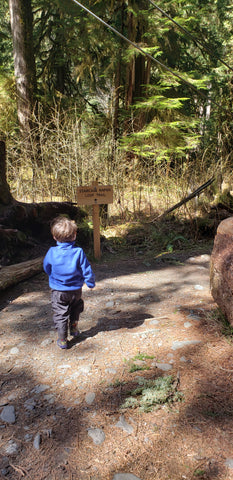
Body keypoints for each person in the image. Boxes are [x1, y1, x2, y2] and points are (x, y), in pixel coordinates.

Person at [43, 216, 95, 349]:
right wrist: (90, 282)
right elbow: (86, 269)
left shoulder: (52, 252)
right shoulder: (78, 252)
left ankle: (62, 339)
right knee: (75, 308)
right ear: (74, 236)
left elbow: (46, 267)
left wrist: (52, 276)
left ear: (54, 237)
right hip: (75, 290)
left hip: (58, 291)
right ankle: (74, 329)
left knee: (61, 314)